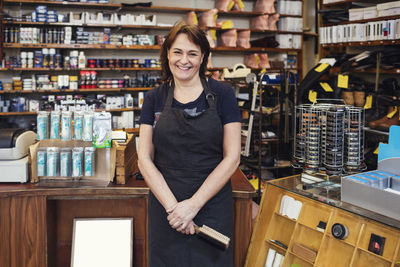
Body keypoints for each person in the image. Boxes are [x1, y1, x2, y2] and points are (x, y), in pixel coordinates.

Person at [138, 21, 241, 267]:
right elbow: (144, 158)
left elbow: (233, 157)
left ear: (203, 57)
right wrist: (176, 210)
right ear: (167, 54)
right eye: (178, 52)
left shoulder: (223, 95)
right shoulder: (154, 98)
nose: (184, 60)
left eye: (193, 54)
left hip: (211, 206)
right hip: (167, 209)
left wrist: (193, 206)